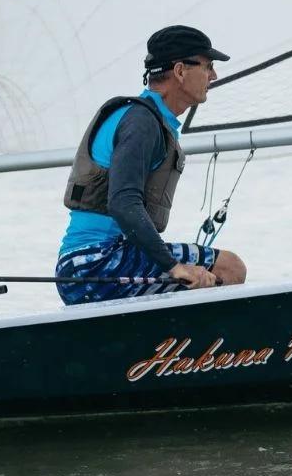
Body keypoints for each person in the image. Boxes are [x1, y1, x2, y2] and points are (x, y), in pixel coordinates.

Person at [55, 25, 250, 304]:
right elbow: (123, 203)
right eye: (208, 66)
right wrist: (173, 266)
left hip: (85, 265)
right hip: (96, 263)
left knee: (205, 274)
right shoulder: (142, 122)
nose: (214, 75)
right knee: (229, 267)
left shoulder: (146, 117)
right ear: (180, 71)